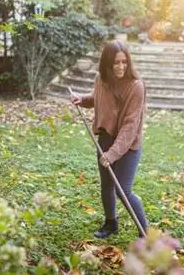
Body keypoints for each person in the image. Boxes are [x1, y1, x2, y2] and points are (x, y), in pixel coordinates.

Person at [70, 39, 148, 239]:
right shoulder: (101, 79)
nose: (121, 66)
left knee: (123, 190)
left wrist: (113, 154)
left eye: (124, 62)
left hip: (128, 144)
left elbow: (130, 126)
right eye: (115, 63)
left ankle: (145, 233)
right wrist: (83, 99)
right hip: (105, 137)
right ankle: (111, 223)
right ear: (107, 64)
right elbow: (98, 98)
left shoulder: (136, 87)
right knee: (106, 185)